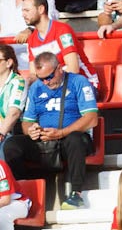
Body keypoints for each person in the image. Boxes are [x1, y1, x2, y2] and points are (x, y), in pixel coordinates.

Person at [9, 50, 97, 208]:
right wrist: (31, 130)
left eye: (49, 77)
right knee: (12, 145)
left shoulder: (78, 82)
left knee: (75, 139)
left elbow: (92, 118)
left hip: (70, 138)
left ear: (60, 69)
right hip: (46, 141)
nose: (46, 83)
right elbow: (26, 122)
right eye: (41, 78)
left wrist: (62, 132)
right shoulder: (36, 88)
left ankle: (77, 193)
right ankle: (23, 193)